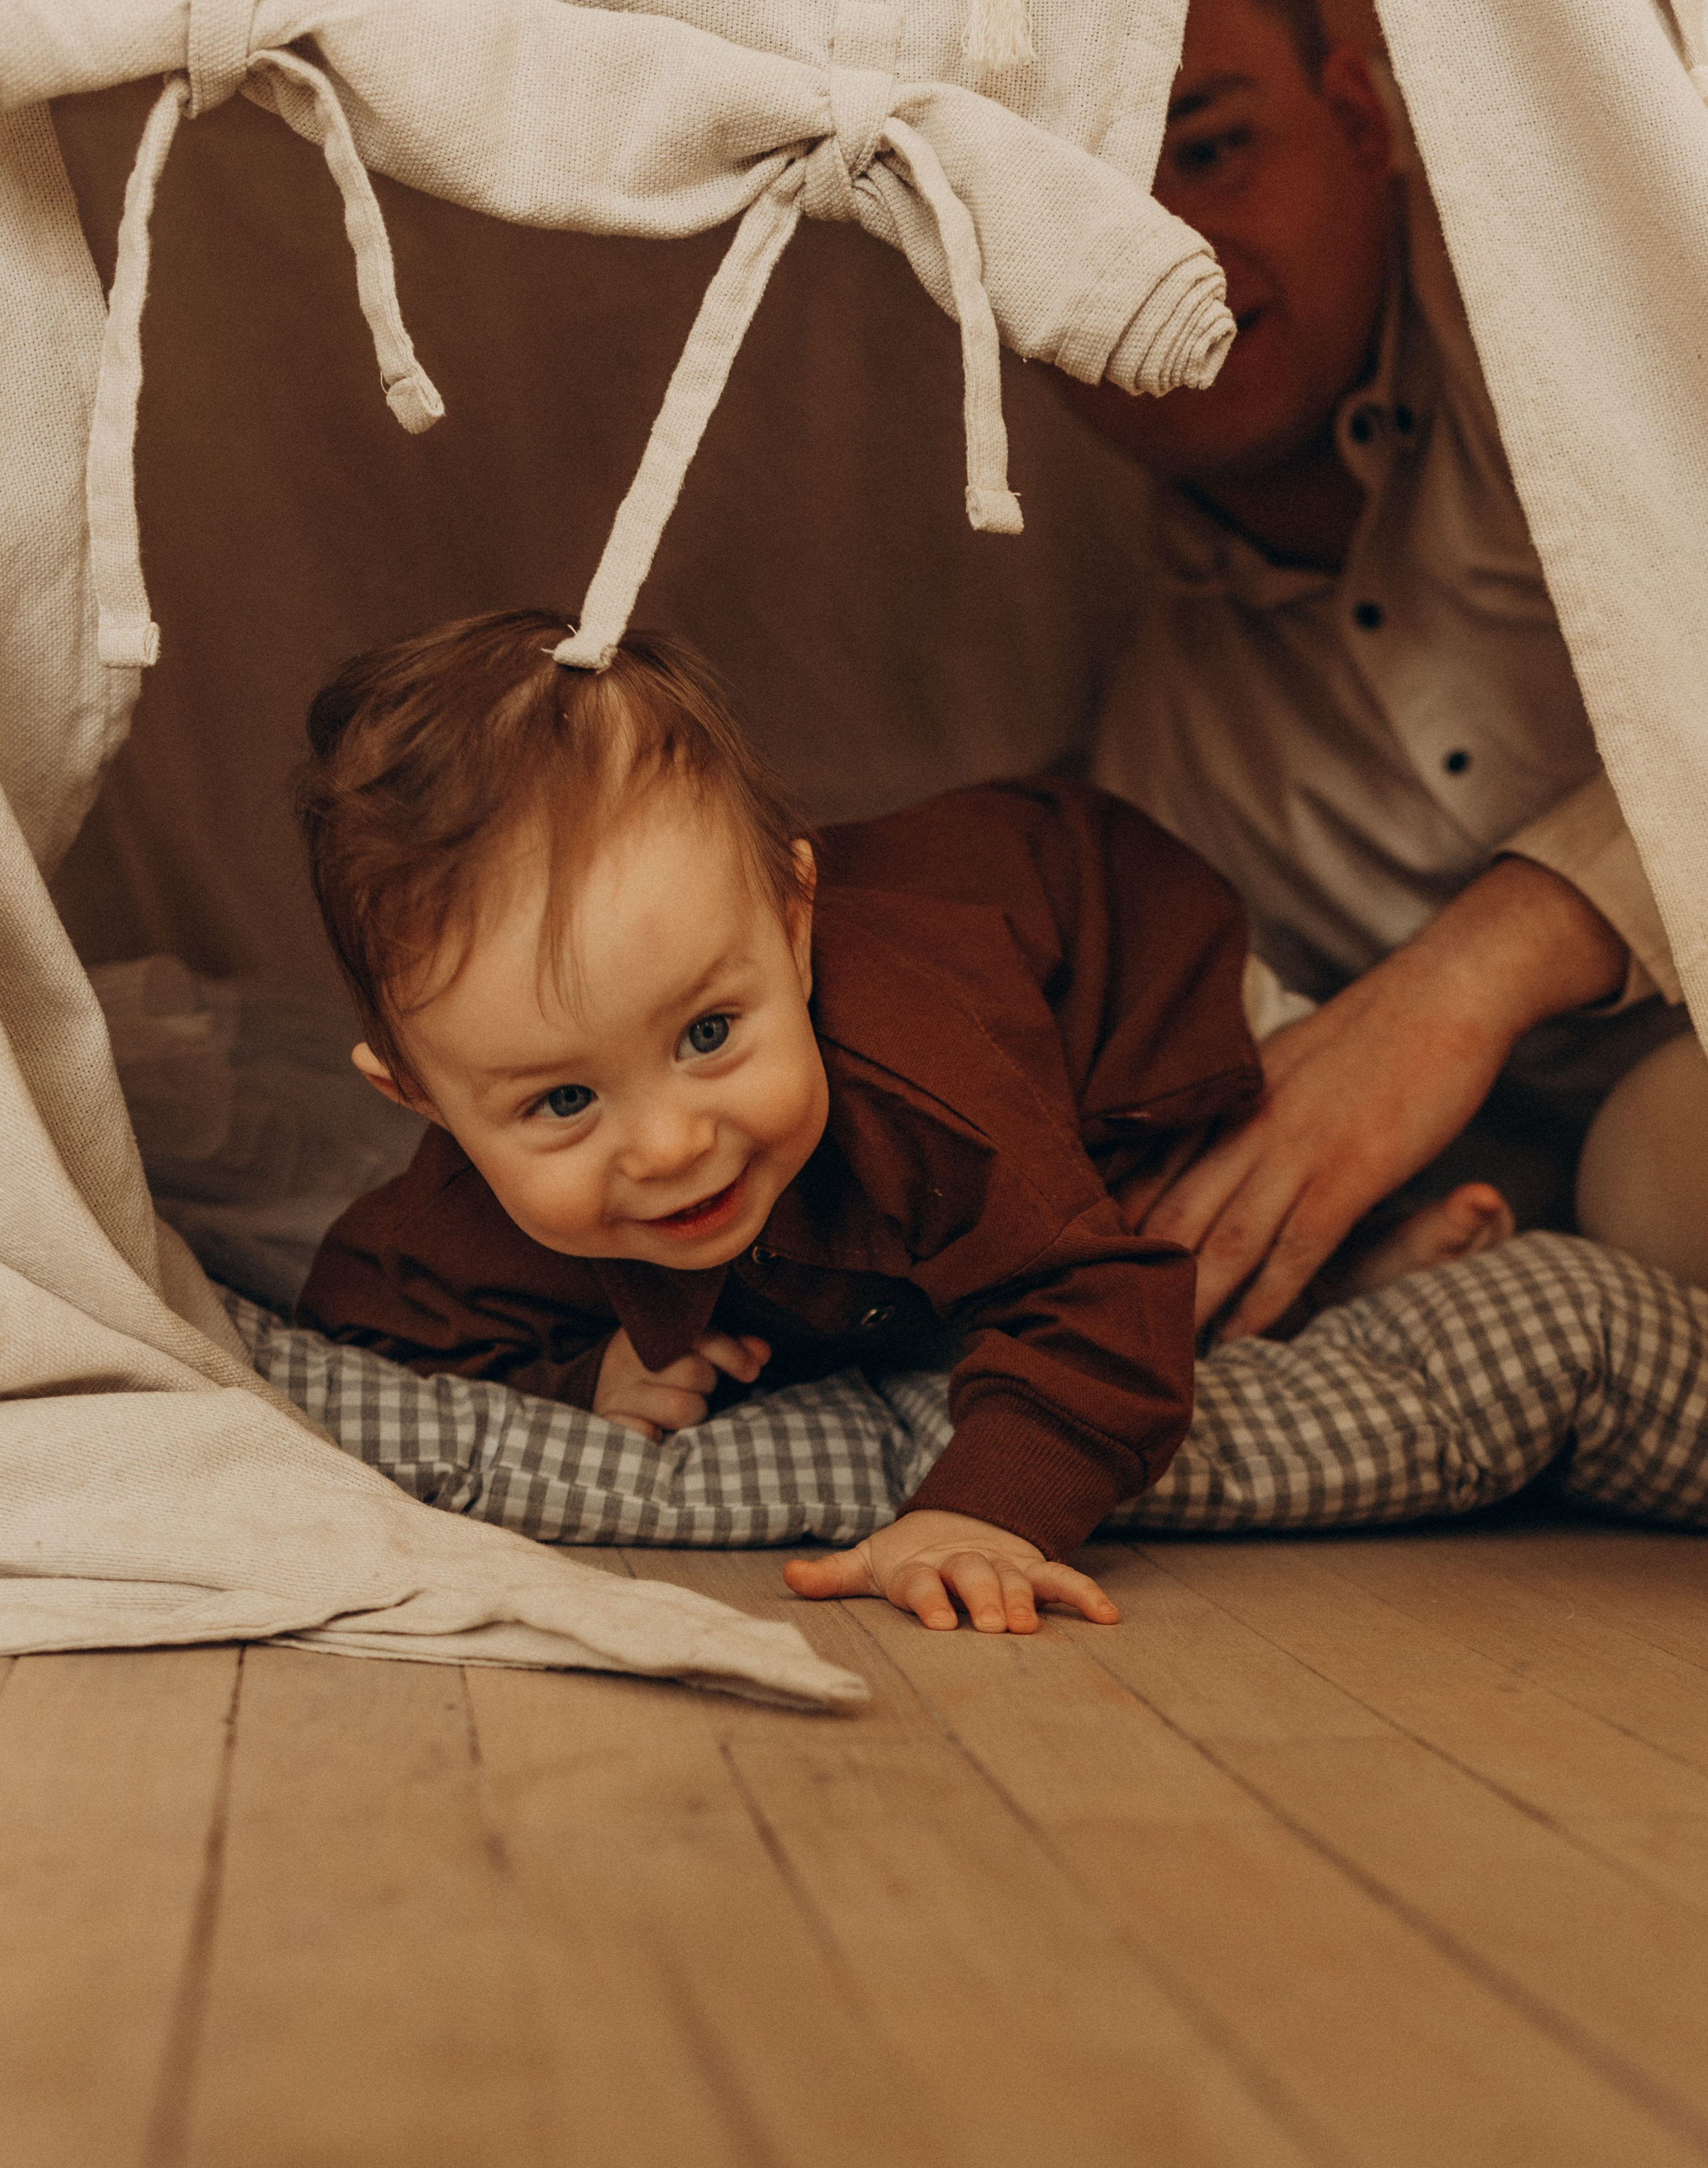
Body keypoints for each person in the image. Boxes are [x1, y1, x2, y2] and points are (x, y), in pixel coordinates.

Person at [293, 611, 1499, 1633]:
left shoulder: (918, 1077)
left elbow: (1103, 1301)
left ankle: (1355, 1249)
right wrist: (581, 1373)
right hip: (947, 1031)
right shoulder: (461, 1203)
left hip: (1110, 975)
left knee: (1164, 1209)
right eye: (562, 1101)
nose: (668, 1147)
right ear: (421, 1098)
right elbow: (366, 1324)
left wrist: (982, 1512)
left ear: (796, 923)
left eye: (710, 1034)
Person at [1057, 0, 1707, 1339]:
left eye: (1211, 149)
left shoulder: (1614, 329)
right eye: (1062, 213)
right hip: (1562, 1198)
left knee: (1655, 1173)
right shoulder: (1167, 759)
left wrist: (1482, 967)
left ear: (1360, 124)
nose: (1150, 258)